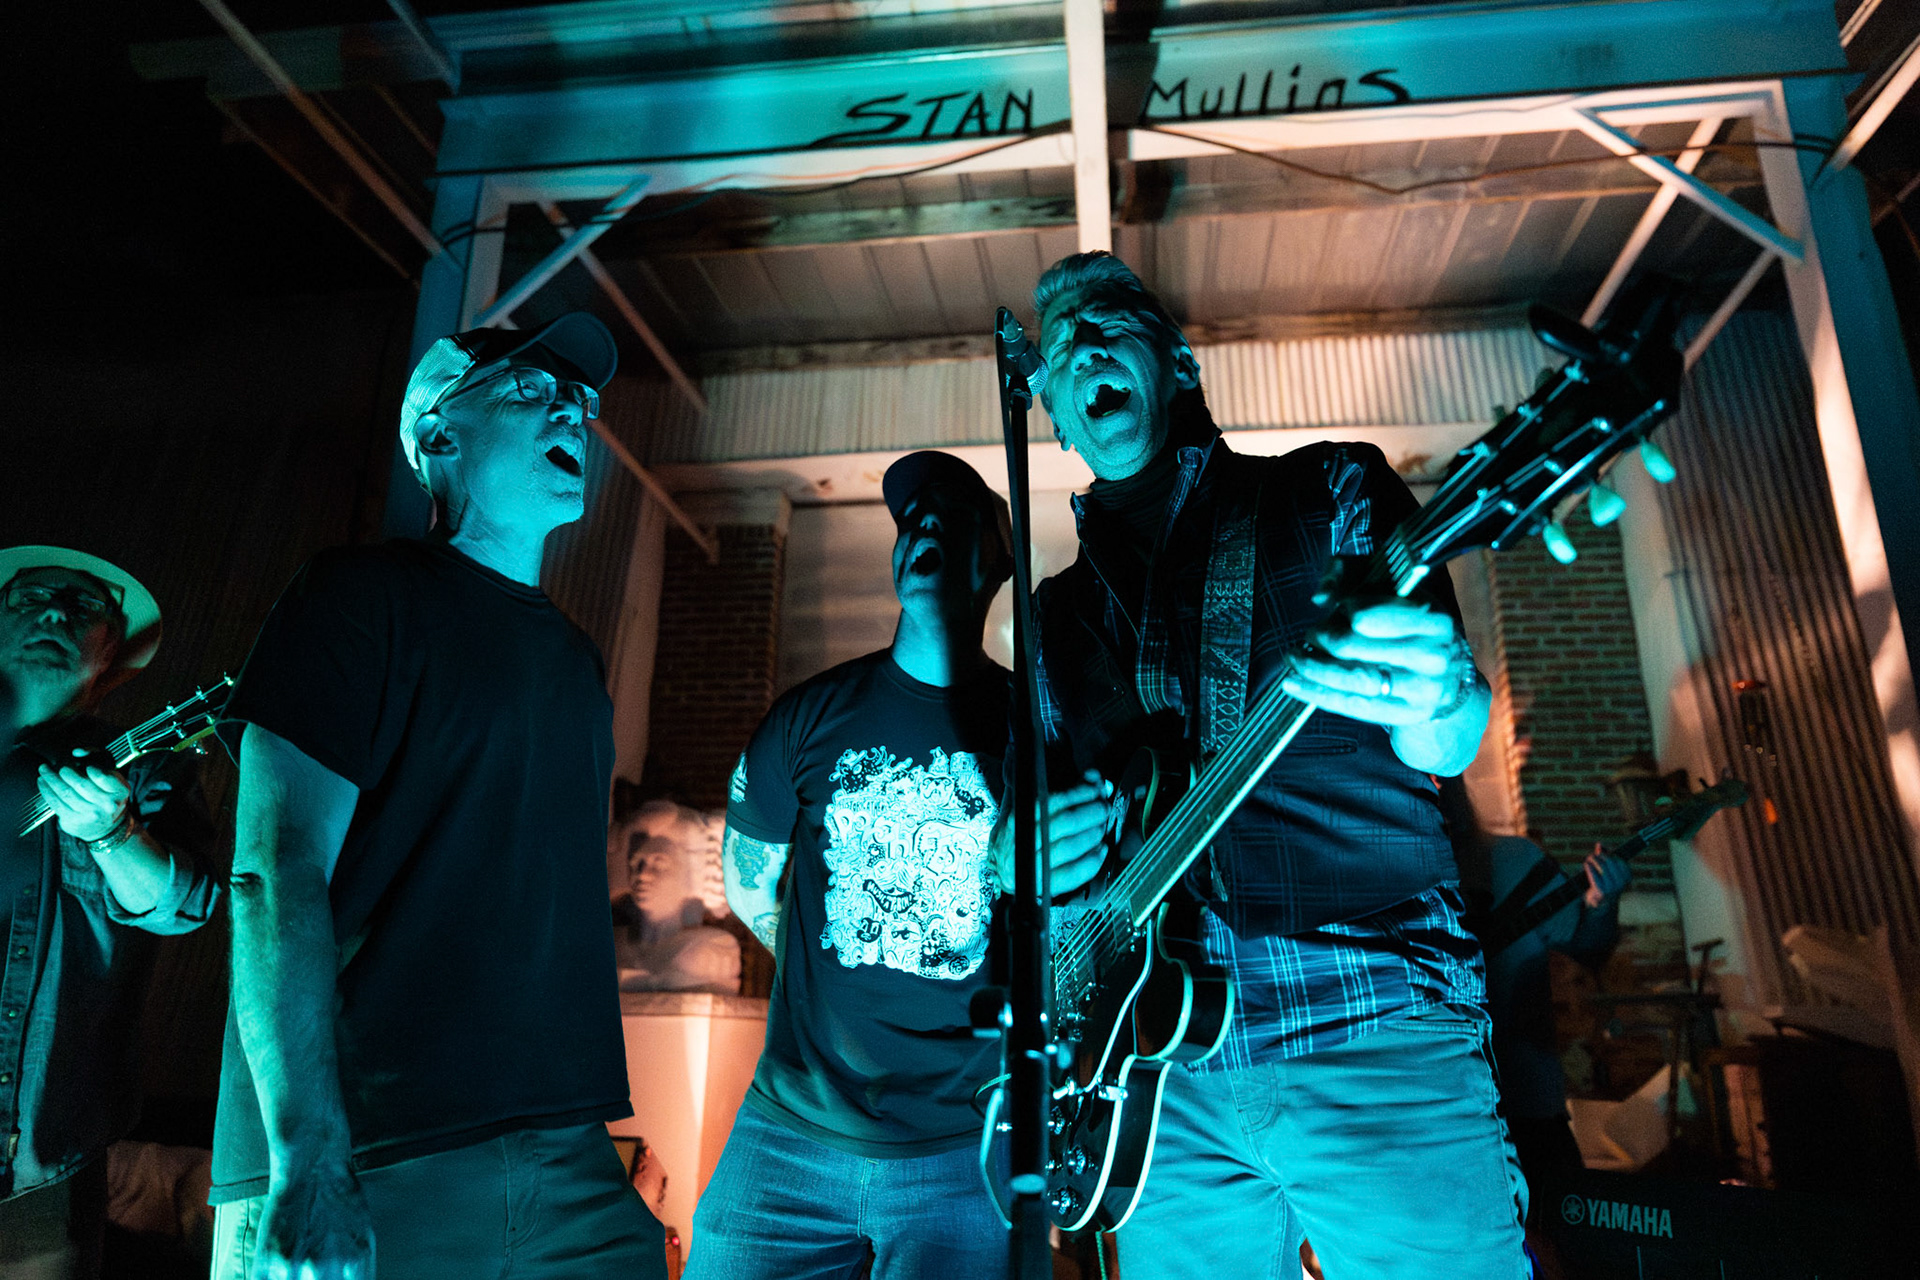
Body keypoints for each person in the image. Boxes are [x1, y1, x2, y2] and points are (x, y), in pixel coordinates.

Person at [1026, 252, 1529, 1278]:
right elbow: (1053, 846)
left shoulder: (1329, 490)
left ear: (1178, 360)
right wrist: (1032, 865)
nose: (1079, 344)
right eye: (1057, 344)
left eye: (1107, 318)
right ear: (1053, 413)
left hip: (1369, 1017)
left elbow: (1444, 732)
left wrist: (1445, 698)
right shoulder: (1054, 617)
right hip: (1158, 1078)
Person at [208, 313, 666, 1280]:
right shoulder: (357, 598)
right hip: (382, 1147)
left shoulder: (576, 660)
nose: (573, 415)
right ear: (441, 437)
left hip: (568, 1151)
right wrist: (308, 1159)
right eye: (531, 392)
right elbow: (273, 872)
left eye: (579, 403)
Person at [690, 451, 1107, 1280]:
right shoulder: (807, 720)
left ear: (996, 564)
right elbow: (748, 882)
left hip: (961, 1152)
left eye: (952, 518)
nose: (923, 527)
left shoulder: (1039, 731)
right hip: (787, 1141)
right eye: (912, 519)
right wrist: (841, 966)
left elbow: (1087, 935)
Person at [0, 546, 219, 1280]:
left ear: (111, 650)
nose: (57, 612)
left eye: (85, 607)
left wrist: (112, 832)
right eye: (33, 597)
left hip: (42, 1164)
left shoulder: (147, 769)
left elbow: (182, 904)